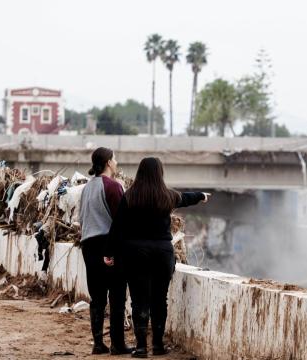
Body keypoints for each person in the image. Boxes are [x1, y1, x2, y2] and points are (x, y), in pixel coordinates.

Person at [107, 157, 209, 358]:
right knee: (159, 300)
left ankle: (141, 347)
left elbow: (117, 227)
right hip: (162, 253)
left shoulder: (130, 196)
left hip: (135, 253)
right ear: (160, 173)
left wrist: (109, 252)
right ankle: (158, 346)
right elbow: (187, 198)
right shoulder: (168, 196)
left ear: (140, 172)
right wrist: (202, 196)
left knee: (139, 300)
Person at [78, 147, 131, 355]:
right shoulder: (113, 186)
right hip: (108, 244)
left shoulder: (86, 189)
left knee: (97, 297)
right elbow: (121, 221)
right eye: (115, 159)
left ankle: (98, 343)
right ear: (109, 162)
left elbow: (81, 221)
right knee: (117, 295)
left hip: (88, 245)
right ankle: (118, 344)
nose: (116, 162)